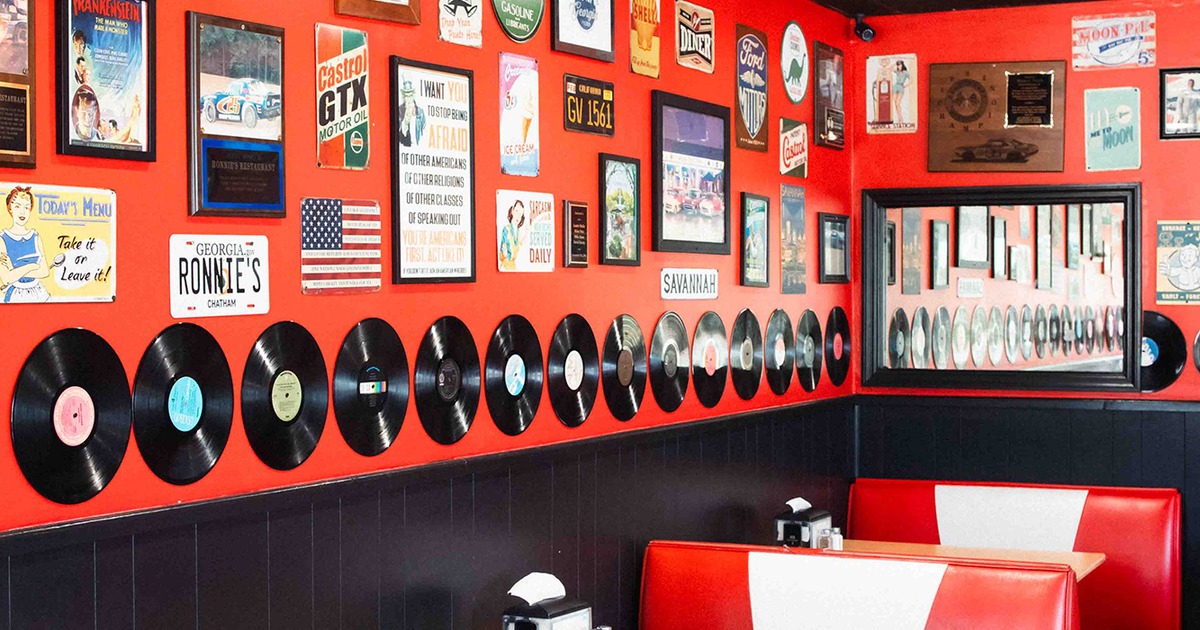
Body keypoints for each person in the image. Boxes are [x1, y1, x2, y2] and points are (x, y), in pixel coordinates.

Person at [0, 186, 51, 303]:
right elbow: (6, 278)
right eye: (17, 206)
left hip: (39, 293)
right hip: (16, 295)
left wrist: (14, 270)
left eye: (26, 207)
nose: (22, 212)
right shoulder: (2, 239)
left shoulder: (35, 237)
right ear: (10, 209)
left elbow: (44, 271)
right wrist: (32, 266)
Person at [397, 79, 425, 147]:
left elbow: (423, 132)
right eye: (406, 95)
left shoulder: (420, 112)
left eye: (410, 94)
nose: (408, 97)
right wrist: (405, 122)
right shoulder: (400, 110)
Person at [498, 200, 525, 271]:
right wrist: (504, 253)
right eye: (516, 211)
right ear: (512, 211)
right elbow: (502, 255)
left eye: (521, 214)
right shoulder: (506, 229)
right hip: (505, 266)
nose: (518, 216)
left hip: (513, 268)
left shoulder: (519, 232)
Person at [892, 59, 910, 125]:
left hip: (901, 87)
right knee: (896, 104)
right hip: (895, 87)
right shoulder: (897, 72)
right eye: (898, 65)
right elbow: (890, 68)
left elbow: (911, 80)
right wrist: (895, 63)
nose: (898, 66)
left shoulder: (906, 72)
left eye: (899, 65)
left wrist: (905, 85)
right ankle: (899, 118)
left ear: (902, 65)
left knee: (897, 103)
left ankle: (901, 118)